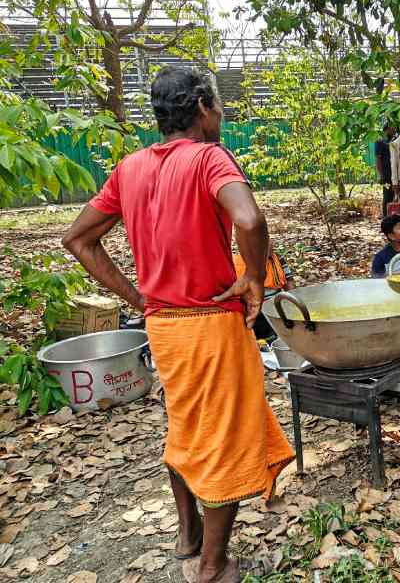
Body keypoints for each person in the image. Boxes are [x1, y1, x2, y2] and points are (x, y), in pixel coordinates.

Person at [62, 66, 295, 583]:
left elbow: (78, 239)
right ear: (203, 106)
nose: (222, 116)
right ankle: (212, 567)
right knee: (224, 440)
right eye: (219, 106)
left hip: (164, 328)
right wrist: (254, 277)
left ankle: (188, 537)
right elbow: (250, 219)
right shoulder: (210, 157)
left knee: (187, 429)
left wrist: (137, 297)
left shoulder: (130, 168)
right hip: (210, 324)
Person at [233, 241, 296, 340]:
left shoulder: (277, 259)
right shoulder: (237, 263)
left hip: (276, 305)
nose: (270, 248)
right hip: (253, 309)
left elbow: (289, 281)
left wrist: (292, 302)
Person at [374, 124, 395, 217]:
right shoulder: (380, 141)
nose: (394, 130)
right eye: (392, 128)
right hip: (386, 174)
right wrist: (381, 175)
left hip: (395, 173)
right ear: (387, 129)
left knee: (394, 196)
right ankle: (386, 217)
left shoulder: (393, 140)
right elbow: (378, 159)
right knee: (387, 196)